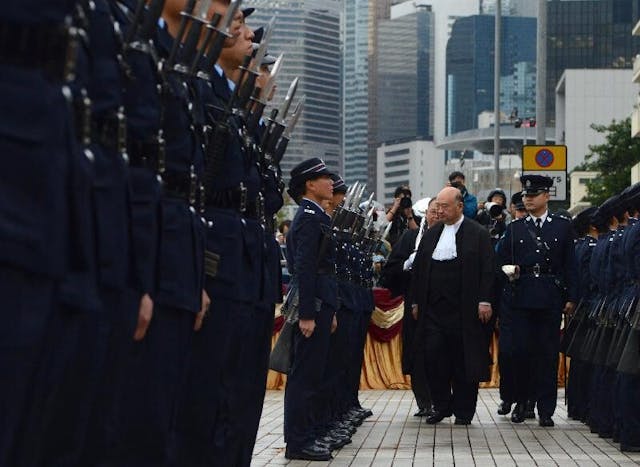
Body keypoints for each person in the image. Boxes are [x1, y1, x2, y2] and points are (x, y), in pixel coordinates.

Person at [496, 175, 577, 427]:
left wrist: (571, 297)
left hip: (550, 297)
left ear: (546, 197)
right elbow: (500, 264)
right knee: (520, 353)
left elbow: (570, 265)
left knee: (547, 354)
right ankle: (521, 402)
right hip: (521, 296)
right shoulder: (515, 229)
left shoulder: (562, 226)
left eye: (533, 195)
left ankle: (546, 409)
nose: (528, 199)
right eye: (526, 196)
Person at [410, 187, 495, 425]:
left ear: (459, 206)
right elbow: (419, 271)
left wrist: (485, 300)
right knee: (434, 357)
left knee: (463, 361)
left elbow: (488, 269)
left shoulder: (477, 233)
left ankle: (464, 410)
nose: (440, 211)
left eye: (445, 206)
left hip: (465, 310)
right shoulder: (432, 234)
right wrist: (416, 301)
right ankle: (441, 405)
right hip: (434, 311)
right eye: (438, 206)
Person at [283, 158, 338, 461]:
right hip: (312, 307)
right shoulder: (307, 217)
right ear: (309, 184)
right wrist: (306, 314)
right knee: (304, 376)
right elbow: (304, 269)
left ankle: (307, 434)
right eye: (324, 178)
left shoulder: (316, 216)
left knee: (313, 374)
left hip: (320, 305)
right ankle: (298, 441)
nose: (330, 182)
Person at [381, 197, 439, 417]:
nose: (437, 215)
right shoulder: (411, 237)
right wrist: (408, 263)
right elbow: (390, 272)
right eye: (433, 211)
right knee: (417, 354)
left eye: (441, 210)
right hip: (416, 305)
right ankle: (424, 401)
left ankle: (441, 399)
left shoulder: (455, 237)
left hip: (444, 305)